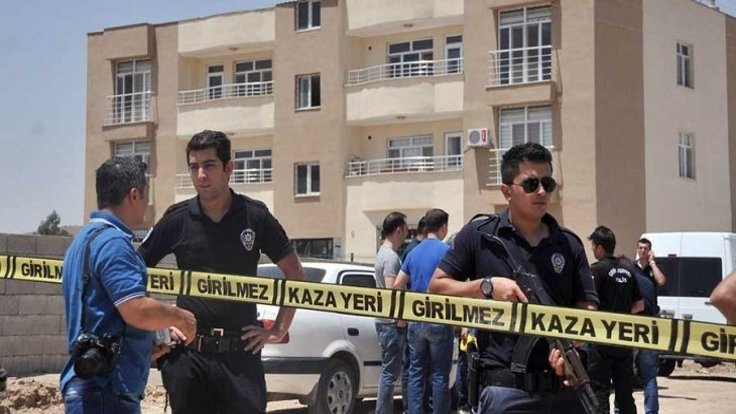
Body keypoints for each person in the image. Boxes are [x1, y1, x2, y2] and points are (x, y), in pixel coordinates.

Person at [138, 130, 306, 414]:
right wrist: (158, 326)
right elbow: (133, 270)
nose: (201, 175)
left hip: (240, 358)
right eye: (194, 167)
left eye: (209, 165)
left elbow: (295, 274)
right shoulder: (177, 219)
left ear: (229, 167)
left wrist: (277, 330)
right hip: (188, 358)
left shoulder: (255, 216)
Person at [428, 142, 599, 414]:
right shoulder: (479, 236)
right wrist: (487, 287)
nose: (541, 191)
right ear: (507, 191)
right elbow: (436, 289)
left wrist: (571, 344)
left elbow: (587, 306)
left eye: (547, 183)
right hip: (505, 389)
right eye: (531, 184)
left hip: (562, 388)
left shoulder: (568, 243)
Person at [60, 157, 197, 414]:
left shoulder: (82, 242)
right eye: (146, 195)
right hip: (108, 391)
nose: (146, 204)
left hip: (91, 387)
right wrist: (181, 317)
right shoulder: (114, 244)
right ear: (134, 195)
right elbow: (135, 309)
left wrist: (145, 344)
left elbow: (102, 314)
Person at [395, 209, 454, 414]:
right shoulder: (447, 252)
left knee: (416, 372)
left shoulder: (413, 252)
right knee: (439, 374)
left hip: (416, 320)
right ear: (443, 227)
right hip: (440, 318)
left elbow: (397, 284)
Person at [587, 226, 643, 414]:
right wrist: (622, 313)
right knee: (625, 392)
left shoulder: (596, 270)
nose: (592, 250)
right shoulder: (628, 270)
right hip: (623, 340)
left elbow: (590, 306)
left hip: (601, 341)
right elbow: (639, 305)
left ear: (600, 248)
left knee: (599, 391)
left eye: (593, 246)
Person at [374, 211, 409, 414]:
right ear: (398, 230)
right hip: (391, 323)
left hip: (383, 321)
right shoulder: (391, 258)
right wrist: (400, 319)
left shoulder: (381, 253)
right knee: (390, 373)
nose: (407, 234)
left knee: (389, 372)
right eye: (405, 229)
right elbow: (392, 291)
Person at [632, 266, 660, 414]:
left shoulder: (629, 280)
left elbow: (636, 306)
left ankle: (621, 409)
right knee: (650, 376)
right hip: (650, 331)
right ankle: (651, 411)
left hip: (632, 331)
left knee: (624, 374)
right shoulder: (648, 282)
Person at [635, 238, 667, 306]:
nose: (643, 250)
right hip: (637, 308)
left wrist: (652, 262)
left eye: (645, 248)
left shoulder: (655, 267)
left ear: (649, 251)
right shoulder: (632, 267)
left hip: (651, 308)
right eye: (640, 248)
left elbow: (661, 281)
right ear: (637, 250)